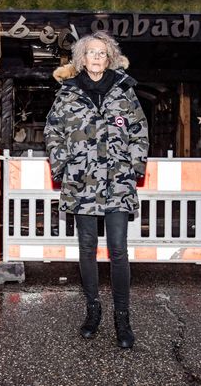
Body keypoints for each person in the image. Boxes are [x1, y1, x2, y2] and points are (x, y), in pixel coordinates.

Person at [44, 31, 149, 349]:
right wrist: (63, 165)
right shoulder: (68, 92)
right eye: (91, 52)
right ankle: (93, 310)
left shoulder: (124, 90)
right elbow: (53, 131)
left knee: (118, 250)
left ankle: (122, 318)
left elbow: (139, 130)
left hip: (117, 182)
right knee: (87, 248)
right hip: (82, 181)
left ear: (110, 58)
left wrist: (133, 166)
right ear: (82, 58)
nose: (97, 57)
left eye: (102, 53)